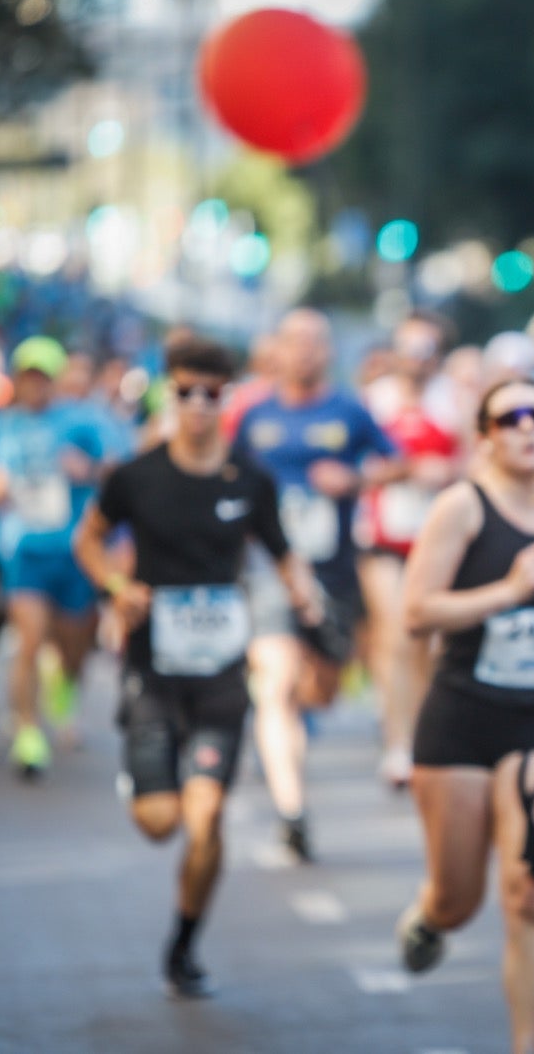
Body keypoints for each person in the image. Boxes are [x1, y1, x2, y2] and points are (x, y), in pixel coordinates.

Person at [74, 337, 319, 999]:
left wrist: (304, 592)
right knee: (160, 822)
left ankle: (183, 944)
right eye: (187, 392)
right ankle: (146, 776)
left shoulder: (251, 480)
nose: (200, 406)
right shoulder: (136, 476)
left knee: (206, 819)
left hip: (220, 674)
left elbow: (282, 551)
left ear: (229, 398)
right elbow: (88, 538)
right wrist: (117, 588)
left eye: (214, 393)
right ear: (170, 395)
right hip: (153, 669)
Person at [394, 378, 534, 1054]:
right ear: (485, 435)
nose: (527, 427)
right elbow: (415, 612)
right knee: (460, 898)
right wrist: (509, 589)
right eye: (509, 417)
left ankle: (530, 1046)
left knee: (530, 896)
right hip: (461, 720)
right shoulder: (461, 509)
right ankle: (431, 916)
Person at [232, 308, 403, 859]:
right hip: (272, 571)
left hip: (333, 570)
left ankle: (301, 722)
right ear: (276, 351)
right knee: (275, 682)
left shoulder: (350, 410)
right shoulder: (253, 416)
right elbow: (224, 476)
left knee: (320, 689)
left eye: (314, 342)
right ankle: (292, 808)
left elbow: (396, 464)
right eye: (294, 342)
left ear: (328, 352)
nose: (304, 351)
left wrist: (355, 478)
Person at [0, 336, 106, 778]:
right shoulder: (5, 425)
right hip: (26, 551)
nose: (33, 384)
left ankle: (65, 685)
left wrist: (87, 470)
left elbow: (116, 470)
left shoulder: (81, 421)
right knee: (29, 643)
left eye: (41, 376)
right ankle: (29, 735)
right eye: (26, 375)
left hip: (74, 553)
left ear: (53, 379)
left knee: (74, 649)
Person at [354, 313, 462, 790]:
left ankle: (423, 731)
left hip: (437, 541)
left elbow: (474, 459)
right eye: (409, 350)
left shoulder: (455, 401)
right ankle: (399, 745)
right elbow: (358, 467)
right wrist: (411, 470)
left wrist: (448, 470)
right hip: (383, 539)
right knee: (397, 635)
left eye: (427, 350)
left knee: (429, 644)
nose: (418, 361)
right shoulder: (374, 403)